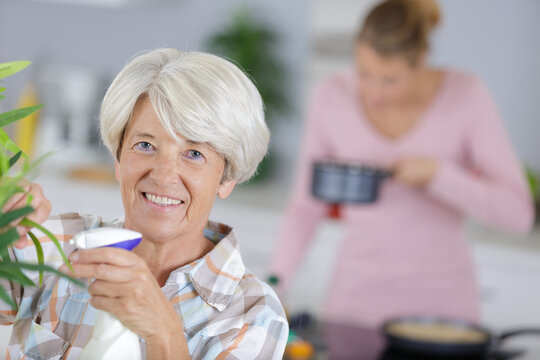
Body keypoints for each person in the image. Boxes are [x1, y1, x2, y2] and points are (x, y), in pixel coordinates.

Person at [0, 49, 288, 359]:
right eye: (145, 145)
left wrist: (163, 333)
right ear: (118, 159)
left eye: (194, 154)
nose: (163, 176)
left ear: (226, 178)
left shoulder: (253, 314)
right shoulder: (50, 246)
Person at [269, 0, 534, 328]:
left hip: (443, 313)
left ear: (420, 61)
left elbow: (519, 216)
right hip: (353, 307)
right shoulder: (330, 97)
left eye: (390, 80)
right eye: (364, 73)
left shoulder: (466, 95)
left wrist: (439, 175)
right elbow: (304, 208)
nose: (373, 92)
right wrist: (275, 287)